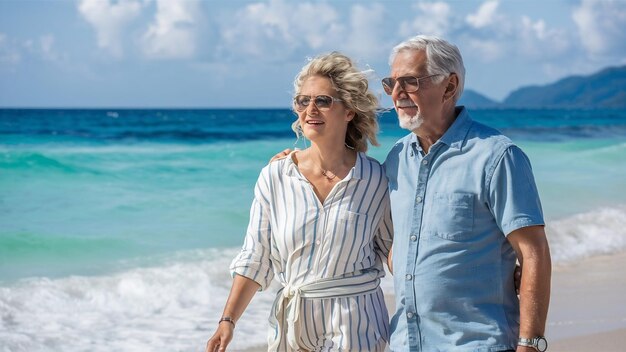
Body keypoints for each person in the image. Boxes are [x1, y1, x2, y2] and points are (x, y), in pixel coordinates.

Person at [205, 52, 393, 352]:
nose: (310, 109)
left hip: (355, 322)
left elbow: (395, 252)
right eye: (302, 101)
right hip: (291, 324)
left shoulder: (375, 179)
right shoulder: (275, 176)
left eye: (322, 100)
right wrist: (227, 321)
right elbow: (256, 257)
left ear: (349, 111)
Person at [382, 35, 551, 351]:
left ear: (449, 86)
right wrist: (295, 159)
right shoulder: (396, 158)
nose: (396, 94)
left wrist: (530, 343)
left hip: (477, 342)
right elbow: (399, 242)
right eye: (390, 83)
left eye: (409, 82)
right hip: (406, 343)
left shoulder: (497, 157)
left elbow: (534, 253)